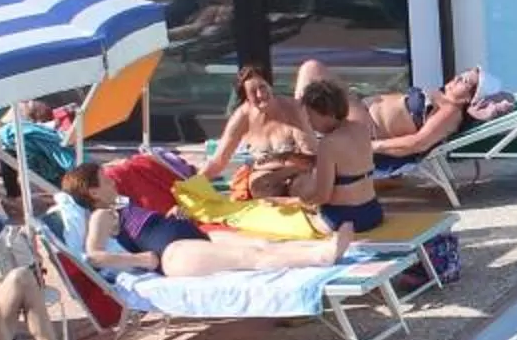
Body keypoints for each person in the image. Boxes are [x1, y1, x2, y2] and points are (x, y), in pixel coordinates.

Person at [61, 160, 352, 278]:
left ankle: (320, 249)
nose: (113, 183)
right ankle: (322, 256)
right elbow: (94, 255)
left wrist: (170, 216)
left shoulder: (121, 205)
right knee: (248, 257)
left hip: (187, 235)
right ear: (94, 192)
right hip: (172, 255)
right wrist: (138, 261)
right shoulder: (100, 215)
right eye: (105, 181)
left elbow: (145, 227)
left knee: (260, 242)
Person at [297, 61, 488, 162]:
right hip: (358, 114)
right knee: (313, 73)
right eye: (462, 74)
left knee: (312, 68)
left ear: (470, 98)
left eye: (466, 81)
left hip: (363, 128)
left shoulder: (450, 112)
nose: (457, 78)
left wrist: (372, 147)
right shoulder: (442, 98)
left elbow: (418, 143)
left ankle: (298, 132)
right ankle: (298, 129)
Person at [284, 80, 387, 234]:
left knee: (290, 225)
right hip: (372, 212)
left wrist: (297, 202)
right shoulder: (361, 129)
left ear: (328, 113)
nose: (309, 122)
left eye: (311, 116)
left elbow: (323, 196)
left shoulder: (328, 144)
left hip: (342, 218)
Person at [202, 67, 315, 195]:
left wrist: (280, 174)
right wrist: (192, 185)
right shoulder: (243, 117)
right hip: (265, 173)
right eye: (253, 91)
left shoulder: (293, 109)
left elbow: (311, 159)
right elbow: (218, 161)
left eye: (262, 87)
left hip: (300, 170)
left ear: (270, 86)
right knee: (259, 187)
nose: (260, 94)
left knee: (304, 188)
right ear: (247, 98)